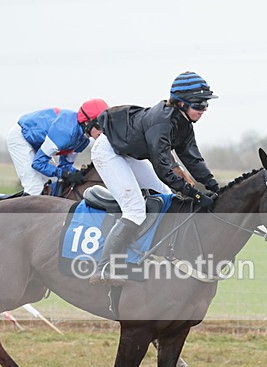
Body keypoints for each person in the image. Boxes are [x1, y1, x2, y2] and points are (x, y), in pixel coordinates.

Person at [89, 71, 220, 285]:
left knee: (165, 196)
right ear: (180, 103)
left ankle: (150, 252)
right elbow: (164, 169)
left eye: (206, 104)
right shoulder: (162, 123)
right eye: (199, 104)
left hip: (129, 152)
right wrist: (195, 195)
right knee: (135, 208)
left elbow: (193, 159)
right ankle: (104, 268)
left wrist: (215, 187)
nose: (204, 109)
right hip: (109, 150)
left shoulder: (184, 123)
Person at [7, 99, 109, 196]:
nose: (102, 131)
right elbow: (38, 164)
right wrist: (66, 174)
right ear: (87, 122)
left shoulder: (83, 141)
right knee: (35, 187)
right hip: (21, 137)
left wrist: (77, 174)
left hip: (38, 144)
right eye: (99, 125)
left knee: (53, 183)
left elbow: (65, 166)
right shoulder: (65, 132)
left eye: (105, 125)